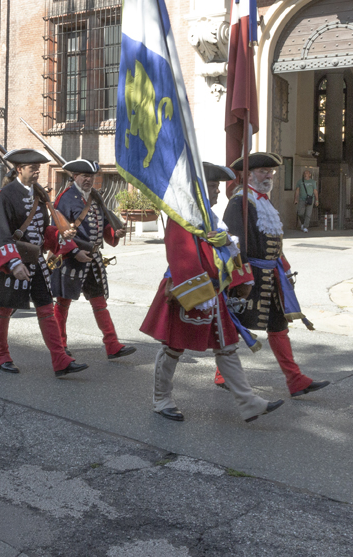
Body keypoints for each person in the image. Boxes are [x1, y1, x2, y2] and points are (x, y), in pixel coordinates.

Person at [141, 162, 282, 423]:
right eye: (212, 186)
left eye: (217, 186)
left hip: (213, 291)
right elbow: (180, 255)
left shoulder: (209, 216)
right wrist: (199, 290)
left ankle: (249, 403)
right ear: (197, 189)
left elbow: (226, 252)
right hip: (187, 289)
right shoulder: (180, 215)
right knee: (173, 348)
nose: (217, 191)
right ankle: (161, 400)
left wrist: (238, 274)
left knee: (226, 347)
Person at [217, 152, 329, 398]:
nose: (268, 175)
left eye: (271, 172)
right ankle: (221, 374)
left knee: (278, 326)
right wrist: (242, 279)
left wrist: (285, 267)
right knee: (235, 323)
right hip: (250, 277)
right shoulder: (240, 202)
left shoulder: (263, 201)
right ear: (247, 175)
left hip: (272, 275)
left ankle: (296, 380)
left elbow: (274, 242)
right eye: (262, 171)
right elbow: (234, 245)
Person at [0, 149, 87, 377]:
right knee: (4, 309)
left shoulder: (39, 194)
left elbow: (43, 230)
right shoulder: (6, 194)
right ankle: (1, 356)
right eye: (33, 168)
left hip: (37, 262)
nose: (38, 172)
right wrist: (13, 263)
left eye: (39, 168)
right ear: (20, 169)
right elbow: (1, 233)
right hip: (14, 260)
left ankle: (60, 360)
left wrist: (61, 236)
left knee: (46, 309)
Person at [49, 158, 135, 360]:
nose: (89, 180)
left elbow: (104, 225)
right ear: (74, 176)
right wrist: (73, 251)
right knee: (62, 304)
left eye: (91, 176)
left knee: (99, 302)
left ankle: (112, 345)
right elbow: (57, 230)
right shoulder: (65, 198)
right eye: (85, 176)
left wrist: (115, 233)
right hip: (71, 258)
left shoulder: (94, 197)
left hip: (93, 258)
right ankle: (60, 345)